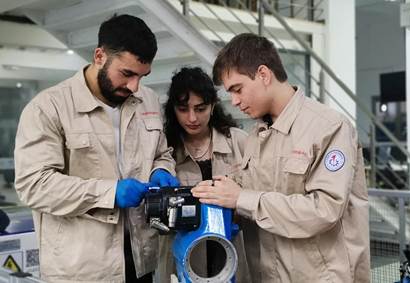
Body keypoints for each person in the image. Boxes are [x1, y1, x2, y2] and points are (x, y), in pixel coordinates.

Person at [191, 33, 370, 282]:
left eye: (237, 89)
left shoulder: (329, 128)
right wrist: (220, 195)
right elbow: (253, 196)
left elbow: (325, 210)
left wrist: (241, 198)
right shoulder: (258, 135)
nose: (234, 102)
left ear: (263, 74)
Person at [14, 14, 179, 283]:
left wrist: (161, 170)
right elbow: (34, 185)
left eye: (142, 76)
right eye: (126, 74)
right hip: (82, 270)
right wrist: (110, 192)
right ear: (100, 56)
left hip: (141, 261)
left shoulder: (146, 100)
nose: (134, 86)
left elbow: (161, 154)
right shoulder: (48, 108)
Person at [156, 67, 250, 282]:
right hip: (183, 256)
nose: (192, 118)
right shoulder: (164, 151)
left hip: (230, 250)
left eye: (200, 108)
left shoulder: (239, 142)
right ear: (173, 109)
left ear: (213, 105)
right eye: (183, 109)